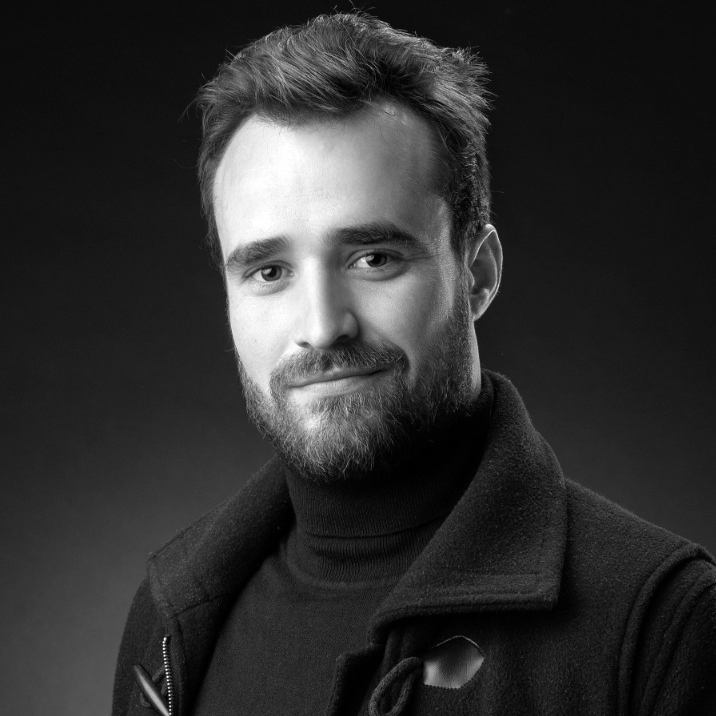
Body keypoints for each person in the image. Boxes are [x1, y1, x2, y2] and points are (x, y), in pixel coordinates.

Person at [112, 12, 716, 716]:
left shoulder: (664, 624)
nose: (321, 327)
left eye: (374, 258)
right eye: (269, 271)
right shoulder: (169, 621)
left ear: (478, 273)